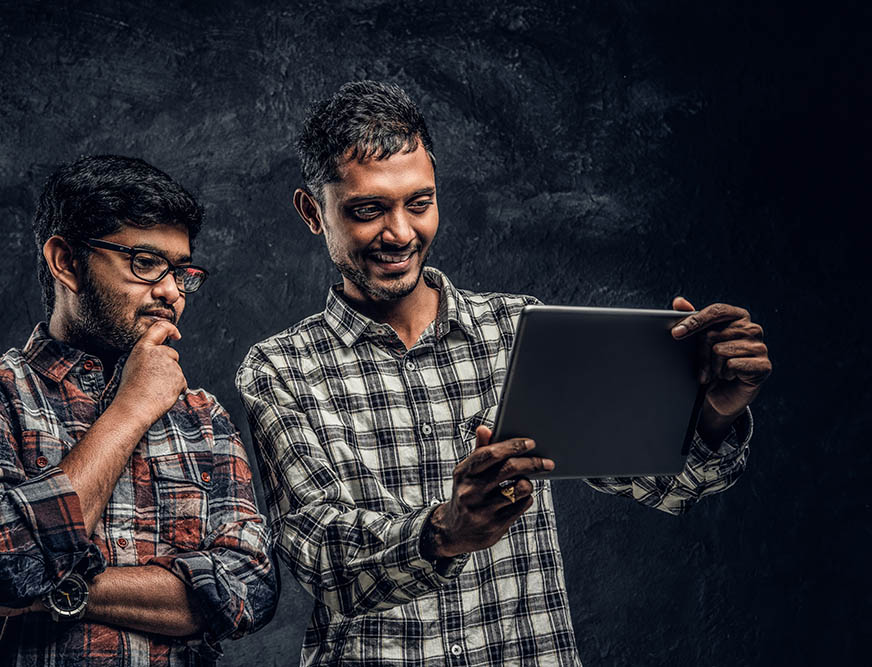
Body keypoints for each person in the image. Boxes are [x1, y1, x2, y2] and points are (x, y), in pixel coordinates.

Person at [235, 81, 772, 666]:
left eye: (419, 203)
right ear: (313, 212)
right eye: (368, 210)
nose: (400, 233)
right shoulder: (280, 369)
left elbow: (667, 484)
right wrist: (446, 530)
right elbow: (321, 559)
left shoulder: (523, 330)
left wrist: (718, 411)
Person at [0, 155, 278, 666]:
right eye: (145, 263)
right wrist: (130, 409)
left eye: (181, 271)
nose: (171, 292)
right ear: (66, 262)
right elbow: (11, 560)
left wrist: (52, 593)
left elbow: (249, 589)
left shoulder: (204, 418)